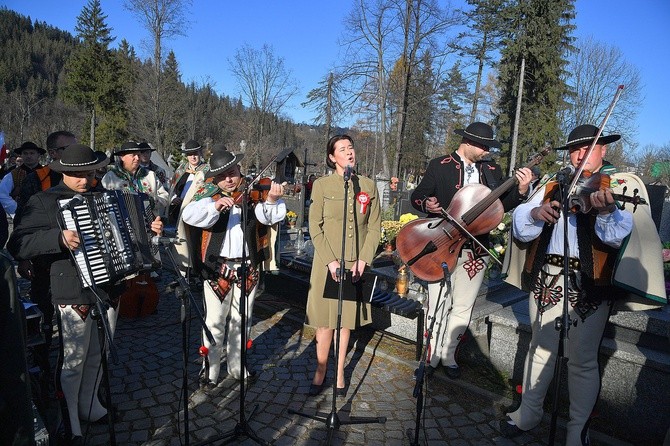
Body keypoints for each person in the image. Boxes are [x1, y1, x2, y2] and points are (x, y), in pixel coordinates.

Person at [7, 144, 164, 444]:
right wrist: (57, 237)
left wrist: (151, 229)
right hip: (70, 288)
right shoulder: (43, 200)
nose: (84, 180)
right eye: (77, 174)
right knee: (73, 359)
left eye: (89, 173)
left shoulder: (106, 197)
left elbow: (131, 234)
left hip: (110, 287)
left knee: (98, 353)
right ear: (62, 171)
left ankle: (90, 405)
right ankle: (70, 420)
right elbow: (19, 243)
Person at [498, 124, 641, 444]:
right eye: (575, 149)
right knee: (538, 349)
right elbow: (521, 229)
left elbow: (620, 238)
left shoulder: (620, 184)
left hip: (589, 286)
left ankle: (577, 431)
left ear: (603, 150)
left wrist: (606, 211)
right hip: (547, 281)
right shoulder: (553, 182)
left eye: (588, 148)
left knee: (582, 361)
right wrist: (536, 212)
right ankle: (529, 412)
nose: (580, 155)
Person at [410, 122, 532, 379]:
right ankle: (431, 355)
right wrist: (427, 203)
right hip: (442, 245)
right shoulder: (439, 165)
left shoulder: (491, 170)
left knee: (463, 305)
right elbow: (418, 195)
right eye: (484, 146)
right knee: (437, 304)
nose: (487, 151)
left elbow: (501, 206)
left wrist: (520, 191)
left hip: (475, 249)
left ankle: (448, 354)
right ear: (468, 142)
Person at [181, 148, 286, 386]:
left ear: (240, 171)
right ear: (215, 179)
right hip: (217, 269)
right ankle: (210, 371)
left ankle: (238, 366)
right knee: (214, 322)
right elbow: (189, 215)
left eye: (233, 173)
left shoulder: (252, 194)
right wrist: (216, 207)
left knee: (243, 320)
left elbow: (268, 217)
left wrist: (271, 199)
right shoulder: (208, 195)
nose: (229, 179)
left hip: (248, 268)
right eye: (223, 176)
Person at [304, 134, 381, 396]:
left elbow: (374, 227)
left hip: (353, 265)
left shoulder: (368, 185)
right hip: (327, 262)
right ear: (331, 157)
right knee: (325, 322)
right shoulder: (322, 185)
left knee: (344, 322)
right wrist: (330, 261)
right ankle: (321, 369)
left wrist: (363, 259)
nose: (349, 152)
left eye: (351, 148)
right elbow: (315, 226)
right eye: (342, 149)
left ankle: (339, 374)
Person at [14, 131, 77, 391]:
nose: (72, 154)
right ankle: (46, 372)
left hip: (76, 267)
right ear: (52, 153)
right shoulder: (35, 180)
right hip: (44, 262)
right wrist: (24, 259)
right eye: (66, 149)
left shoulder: (84, 178)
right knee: (45, 315)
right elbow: (21, 222)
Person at [102, 141, 169, 215]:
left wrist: (151, 202)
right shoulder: (110, 177)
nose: (137, 158)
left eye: (139, 155)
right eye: (133, 155)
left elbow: (165, 197)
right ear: (122, 157)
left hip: (149, 222)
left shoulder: (150, 175)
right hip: (121, 221)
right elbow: (102, 202)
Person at [167, 139, 209, 226]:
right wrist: (174, 198)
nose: (193, 157)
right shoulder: (181, 169)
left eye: (195, 154)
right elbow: (172, 187)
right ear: (186, 156)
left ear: (200, 153)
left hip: (197, 210)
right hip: (178, 208)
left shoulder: (206, 170)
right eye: (190, 154)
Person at [0, 141, 45, 220]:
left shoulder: (47, 172)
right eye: (25, 153)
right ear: (21, 155)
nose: (28, 156)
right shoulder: (13, 174)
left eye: (32, 153)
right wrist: (16, 210)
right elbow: (2, 194)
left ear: (38, 155)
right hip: (22, 218)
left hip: (45, 215)